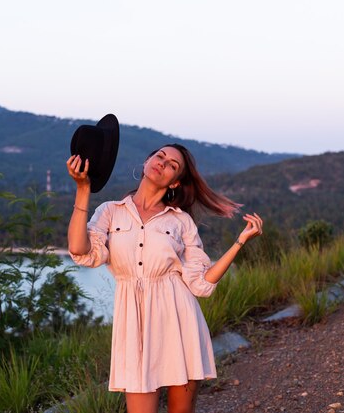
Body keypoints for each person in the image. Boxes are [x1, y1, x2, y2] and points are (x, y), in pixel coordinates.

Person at [66, 143, 263, 413]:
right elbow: (80, 251)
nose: (163, 162)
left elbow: (202, 284)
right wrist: (83, 189)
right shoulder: (110, 212)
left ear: (176, 182)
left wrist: (239, 242)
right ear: (147, 162)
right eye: (160, 156)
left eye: (172, 164)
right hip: (133, 325)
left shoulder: (180, 222)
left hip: (179, 320)